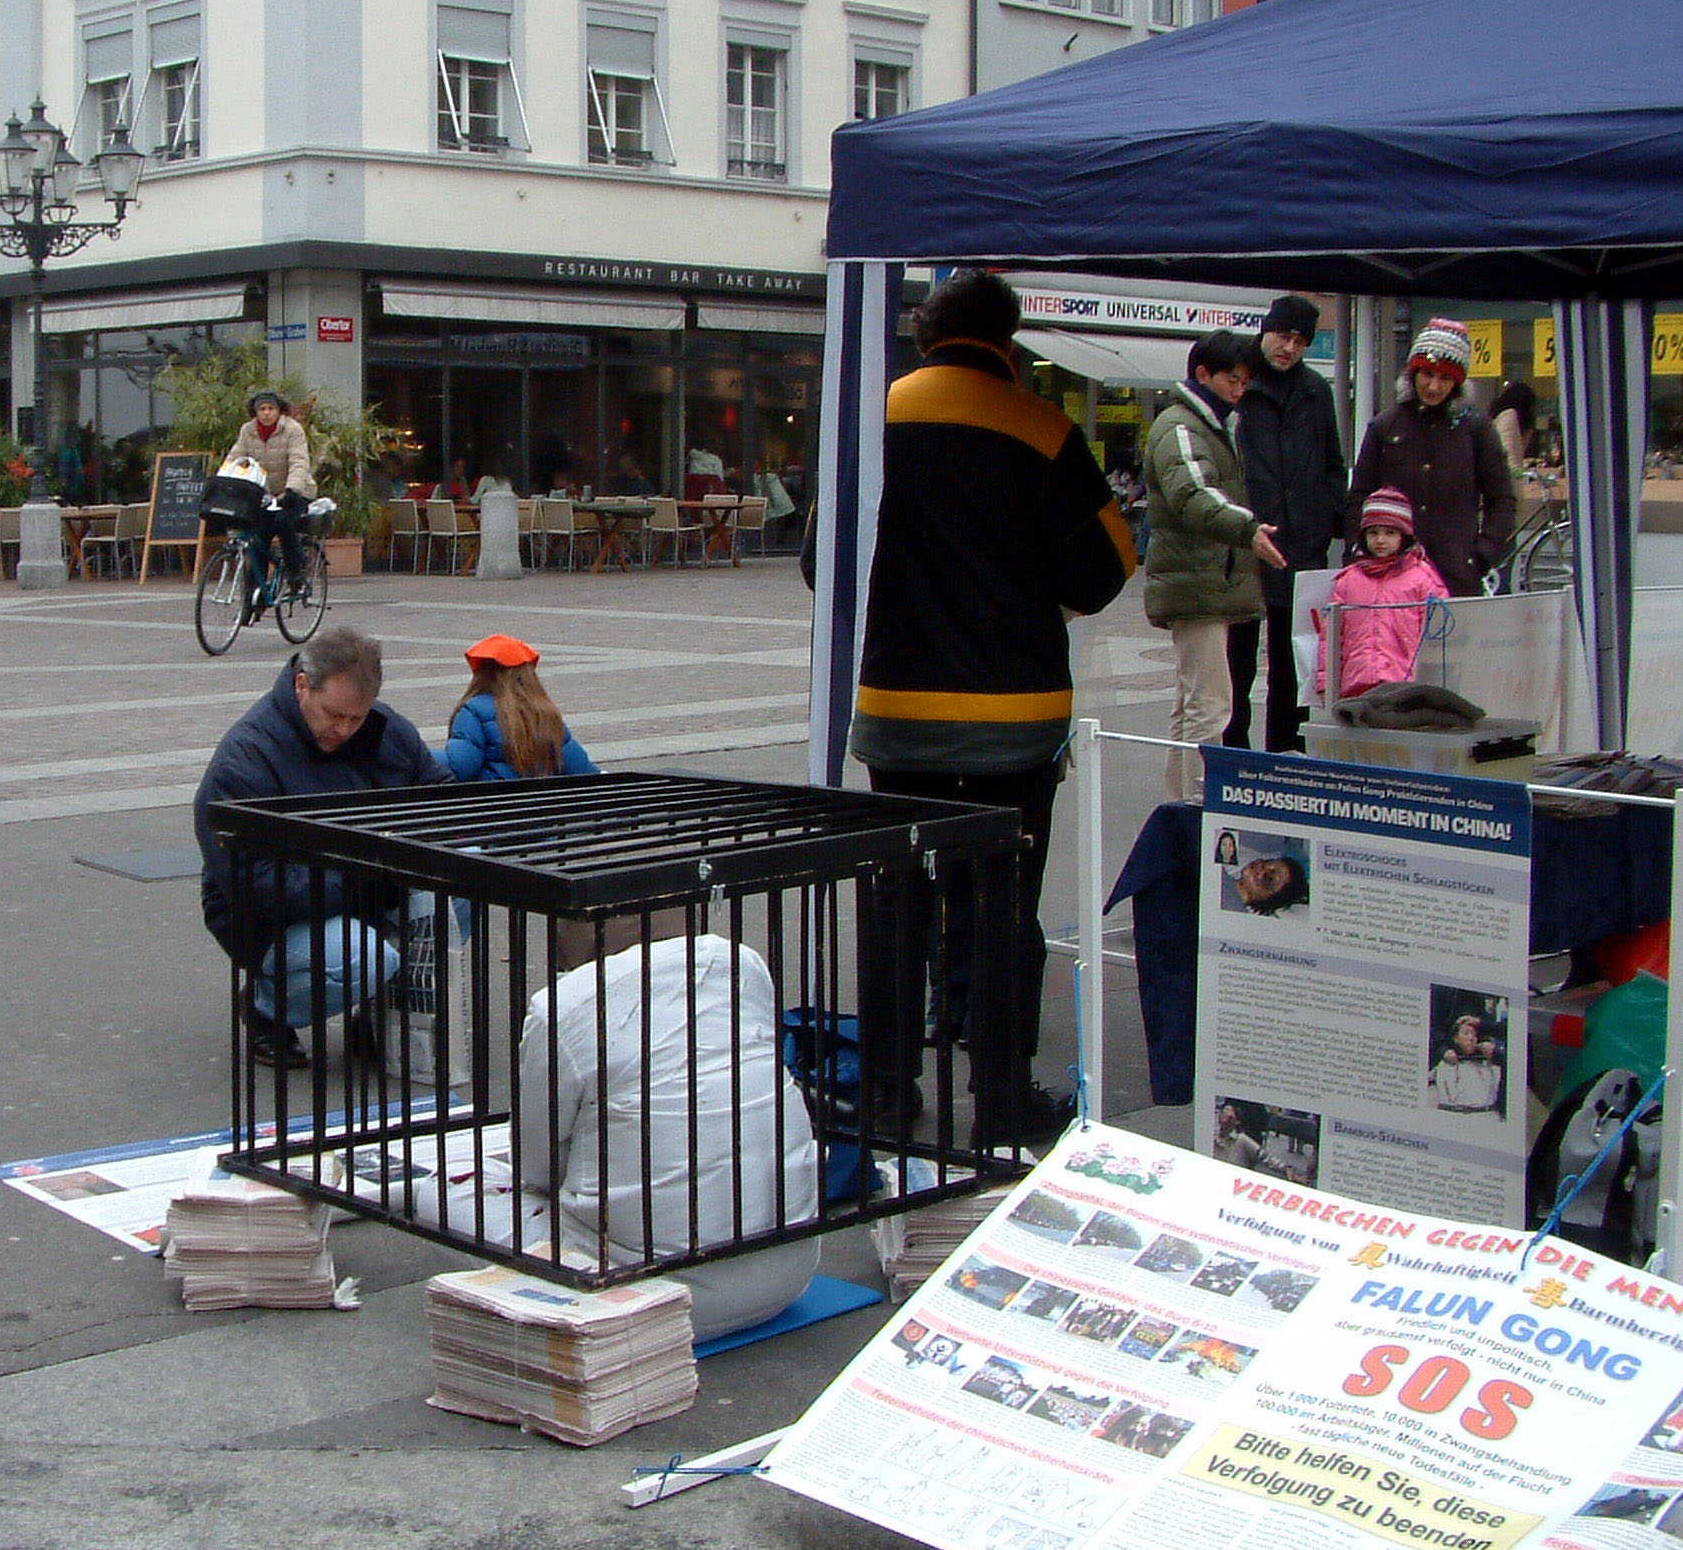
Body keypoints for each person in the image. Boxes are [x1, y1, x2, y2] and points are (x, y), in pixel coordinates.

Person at [818, 267, 1140, 1146]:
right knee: (1003, 908)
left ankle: (887, 1095)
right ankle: (1000, 1098)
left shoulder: (874, 418)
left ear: (927, 334)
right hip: (1014, 718)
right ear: (1008, 340)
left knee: (896, 903)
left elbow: (823, 559)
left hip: (899, 711)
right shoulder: (1042, 428)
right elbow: (1108, 567)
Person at [515, 910, 821, 1343]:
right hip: (788, 1272)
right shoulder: (740, 962)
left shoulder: (563, 1006)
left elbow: (536, 1166)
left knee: (447, 1197)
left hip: (648, 1293)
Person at [193, 626, 445, 1066]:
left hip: (366, 883)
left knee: (460, 888)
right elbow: (256, 885)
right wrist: (369, 879)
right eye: (333, 714)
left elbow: (439, 794)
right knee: (361, 957)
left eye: (356, 718)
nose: (344, 729)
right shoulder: (246, 757)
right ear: (302, 685)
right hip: (268, 917)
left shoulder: (384, 728)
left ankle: (379, 1014)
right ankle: (267, 1008)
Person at [1143, 330, 1288, 799]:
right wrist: (1247, 529)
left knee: (1194, 704)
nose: (1240, 390)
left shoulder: (1210, 423)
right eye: (1232, 380)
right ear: (1203, 374)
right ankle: (1197, 807)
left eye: (1245, 381)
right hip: (1198, 582)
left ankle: (1180, 803)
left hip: (1205, 579)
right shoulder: (1182, 427)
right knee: (1210, 705)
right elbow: (1193, 493)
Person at [1228, 295, 1347, 753]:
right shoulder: (1240, 382)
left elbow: (1333, 463)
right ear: (1266, 331)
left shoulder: (1315, 390)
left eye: (1300, 341)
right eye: (1283, 336)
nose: (1289, 348)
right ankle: (1233, 756)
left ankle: (1285, 758)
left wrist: (1324, 521)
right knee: (1236, 666)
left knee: (1292, 667)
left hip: (1300, 545)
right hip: (1244, 543)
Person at [1348, 319, 1516, 598]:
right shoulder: (1385, 426)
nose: (1434, 387)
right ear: (1412, 373)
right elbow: (1359, 496)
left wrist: (1484, 553)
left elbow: (1502, 499)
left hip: (1456, 574)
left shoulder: (1477, 429)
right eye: (1427, 374)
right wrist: (1358, 553)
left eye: (1445, 378)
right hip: (1390, 575)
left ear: (1458, 383)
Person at [1314, 486, 1449, 702]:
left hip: (1408, 688)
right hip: (1356, 687)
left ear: (1404, 535)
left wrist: (1436, 687)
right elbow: (1330, 637)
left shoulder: (1423, 579)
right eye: (1373, 533)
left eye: (1390, 533)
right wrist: (1325, 682)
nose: (1380, 540)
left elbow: (1439, 638)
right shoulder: (1348, 581)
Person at [441, 633, 598, 781]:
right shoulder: (546, 713)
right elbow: (582, 770)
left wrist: (428, 758)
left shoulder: (473, 710)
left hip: (495, 799)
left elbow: (461, 767)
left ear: (483, 674)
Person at [230, 390, 313, 589]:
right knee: (258, 536)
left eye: (270, 408)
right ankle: (254, 594)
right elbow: (235, 458)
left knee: (283, 521)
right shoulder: (247, 431)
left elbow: (299, 461)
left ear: (279, 410)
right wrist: (224, 480)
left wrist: (292, 489)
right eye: (262, 409)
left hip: (294, 491)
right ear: (255, 412)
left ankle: (295, 570)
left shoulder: (292, 429)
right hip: (264, 496)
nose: (266, 413)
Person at [1432, 1012, 1505, 1112]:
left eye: (1474, 1035)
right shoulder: (1446, 1064)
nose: (1471, 1038)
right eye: (1466, 1034)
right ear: (1456, 1038)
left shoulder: (1488, 1065)